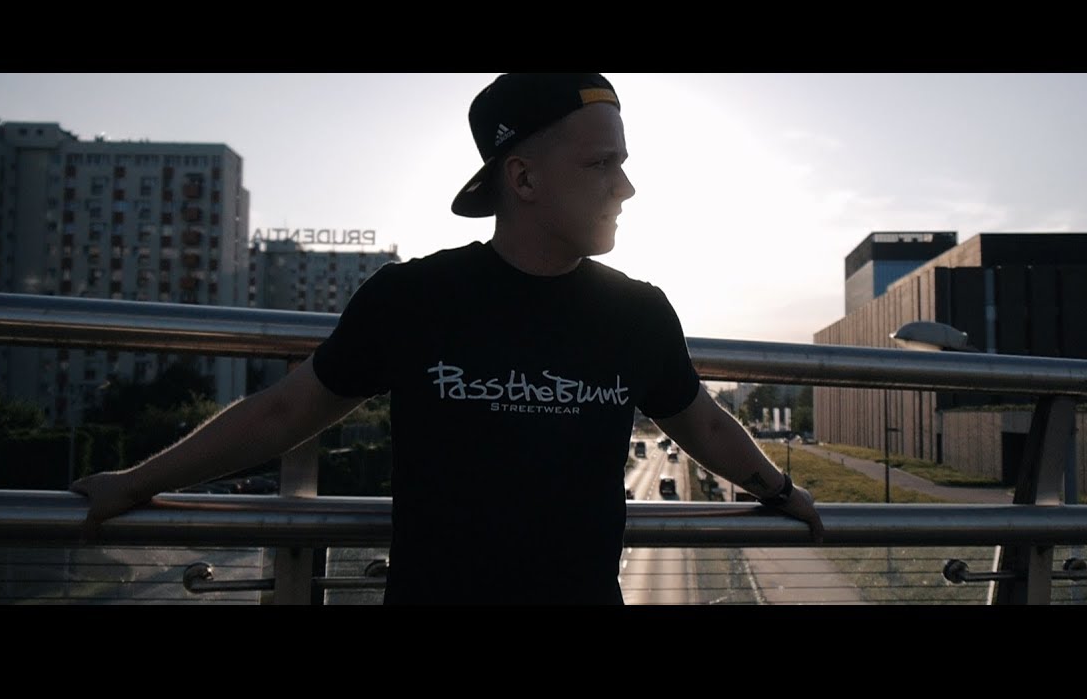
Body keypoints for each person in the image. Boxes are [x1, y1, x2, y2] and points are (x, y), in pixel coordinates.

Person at [70, 73, 824, 605]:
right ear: (522, 180)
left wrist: (784, 493)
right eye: (602, 164)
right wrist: (134, 483)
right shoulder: (416, 299)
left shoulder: (638, 312)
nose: (625, 188)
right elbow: (284, 412)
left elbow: (700, 422)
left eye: (622, 165)